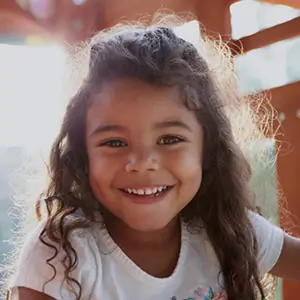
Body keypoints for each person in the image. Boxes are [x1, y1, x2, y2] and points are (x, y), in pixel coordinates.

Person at [5, 16, 300, 300]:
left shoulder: (227, 230)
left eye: (170, 139)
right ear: (84, 155)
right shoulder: (61, 254)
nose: (143, 161)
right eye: (114, 142)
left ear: (207, 149)